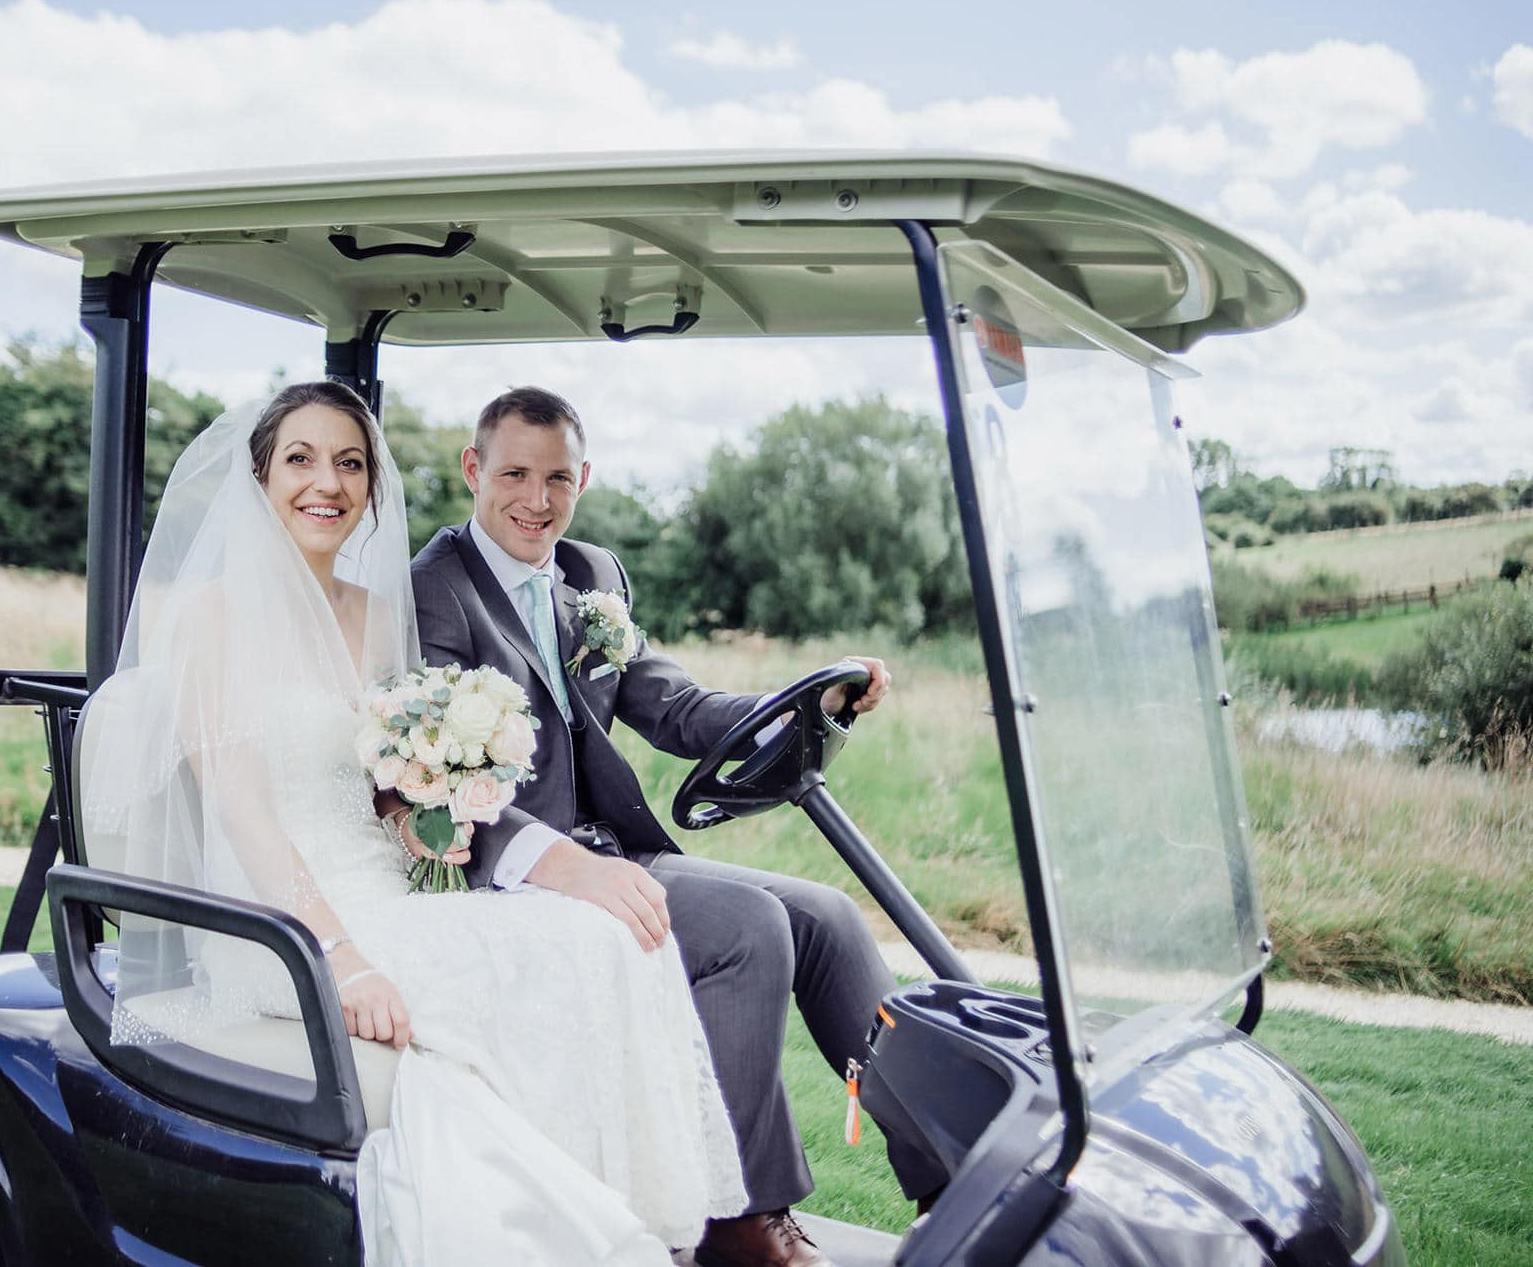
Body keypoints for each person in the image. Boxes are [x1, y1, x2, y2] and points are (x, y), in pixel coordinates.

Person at [80, 382, 746, 1266]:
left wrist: (429, 815)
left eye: (350, 462)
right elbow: (245, 812)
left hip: (387, 895)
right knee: (574, 957)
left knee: (610, 936)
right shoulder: (211, 619)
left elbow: (383, 790)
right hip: (283, 927)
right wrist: (341, 958)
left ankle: (646, 1222)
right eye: (302, 459)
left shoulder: (380, 614)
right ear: (259, 476)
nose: (330, 482)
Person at [409, 387, 948, 1267]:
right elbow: (433, 784)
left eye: (557, 479)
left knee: (828, 919)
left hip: (614, 848)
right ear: (474, 469)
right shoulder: (434, 591)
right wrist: (559, 863)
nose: (536, 500)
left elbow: (678, 704)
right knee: (748, 928)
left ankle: (950, 1182)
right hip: (514, 877)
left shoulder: (591, 574)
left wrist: (797, 706)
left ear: (583, 478)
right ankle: (734, 1219)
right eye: (514, 474)